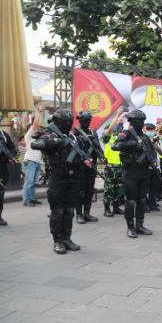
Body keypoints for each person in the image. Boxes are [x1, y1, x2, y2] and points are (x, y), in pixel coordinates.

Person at [31, 108, 82, 253]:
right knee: (58, 211)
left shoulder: (73, 137)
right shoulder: (50, 134)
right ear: (58, 122)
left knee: (69, 211)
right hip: (58, 178)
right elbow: (36, 143)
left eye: (69, 122)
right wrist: (58, 141)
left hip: (73, 179)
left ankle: (67, 238)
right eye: (65, 122)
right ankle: (58, 240)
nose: (68, 125)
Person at [111, 109, 154, 238]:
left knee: (141, 200)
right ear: (133, 121)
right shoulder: (127, 134)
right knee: (130, 201)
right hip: (131, 172)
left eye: (142, 121)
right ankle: (130, 227)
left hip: (144, 172)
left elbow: (151, 152)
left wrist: (152, 161)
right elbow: (115, 145)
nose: (142, 123)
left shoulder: (145, 136)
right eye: (139, 121)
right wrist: (134, 144)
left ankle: (139, 225)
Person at [74, 110, 102, 224]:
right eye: (84, 120)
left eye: (88, 120)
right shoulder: (75, 133)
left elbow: (98, 147)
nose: (87, 122)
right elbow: (74, 150)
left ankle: (87, 213)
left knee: (89, 190)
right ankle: (79, 214)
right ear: (80, 120)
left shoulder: (92, 132)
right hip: (80, 166)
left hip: (92, 166)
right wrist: (83, 160)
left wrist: (102, 156)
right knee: (80, 191)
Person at [0, 112, 16, 226]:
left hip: (1, 168)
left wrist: (10, 156)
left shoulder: (4, 135)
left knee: (0, 193)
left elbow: (13, 149)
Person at [101, 111, 126, 217]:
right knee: (109, 188)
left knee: (119, 188)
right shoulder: (107, 137)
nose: (117, 127)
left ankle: (116, 207)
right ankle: (107, 209)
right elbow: (110, 129)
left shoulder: (120, 137)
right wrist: (117, 116)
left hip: (120, 166)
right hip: (111, 166)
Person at [22, 106, 44, 206]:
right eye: (36, 127)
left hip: (36, 161)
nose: (38, 127)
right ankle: (26, 200)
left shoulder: (37, 137)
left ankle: (32, 198)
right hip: (30, 160)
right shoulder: (29, 134)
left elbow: (37, 124)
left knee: (34, 182)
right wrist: (39, 112)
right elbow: (35, 124)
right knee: (29, 182)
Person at [144, 123, 162, 212]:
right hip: (145, 167)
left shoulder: (157, 140)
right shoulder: (142, 139)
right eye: (148, 130)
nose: (150, 132)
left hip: (156, 167)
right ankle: (145, 205)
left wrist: (156, 147)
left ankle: (152, 204)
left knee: (154, 187)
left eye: (151, 130)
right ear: (144, 130)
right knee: (144, 188)